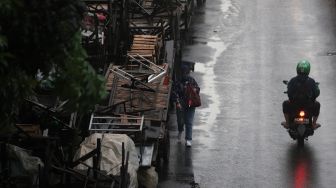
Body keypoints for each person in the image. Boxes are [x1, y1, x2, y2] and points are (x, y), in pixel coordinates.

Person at [282, 60, 321, 130]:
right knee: (317, 104)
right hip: (308, 106)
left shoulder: (293, 80)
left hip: (294, 106)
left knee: (285, 103)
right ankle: (314, 123)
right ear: (308, 70)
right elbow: (316, 93)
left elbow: (289, 93)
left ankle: (287, 123)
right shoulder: (311, 81)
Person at [172, 64, 200, 147]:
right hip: (181, 101)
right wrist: (177, 102)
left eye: (186, 72)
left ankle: (188, 139)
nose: (185, 74)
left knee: (189, 121)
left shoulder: (192, 80)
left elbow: (198, 89)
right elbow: (174, 92)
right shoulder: (178, 81)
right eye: (183, 72)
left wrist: (195, 90)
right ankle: (180, 131)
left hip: (191, 102)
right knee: (180, 121)